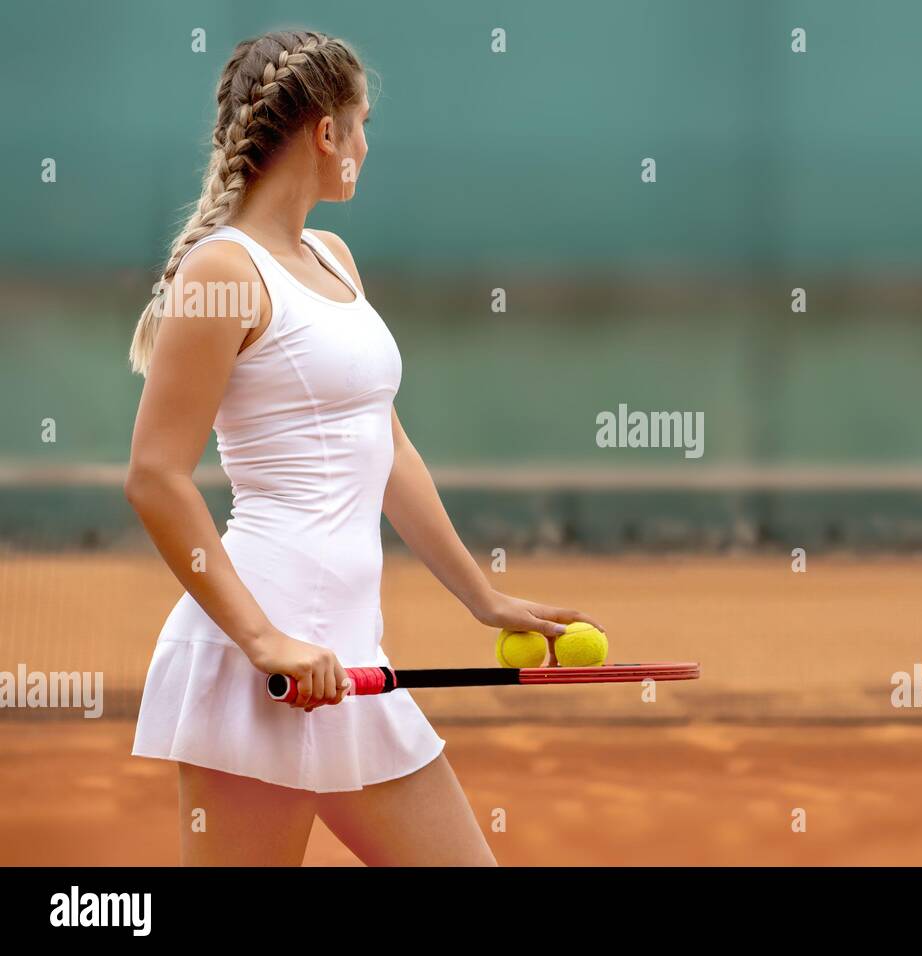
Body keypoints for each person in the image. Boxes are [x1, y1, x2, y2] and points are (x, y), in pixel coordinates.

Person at [125, 30, 599, 866]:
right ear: (326, 134)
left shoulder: (331, 259)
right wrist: (264, 640)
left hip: (349, 660)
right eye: (363, 124)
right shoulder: (222, 271)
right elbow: (155, 477)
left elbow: (388, 446)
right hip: (260, 664)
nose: (367, 147)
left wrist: (480, 597)